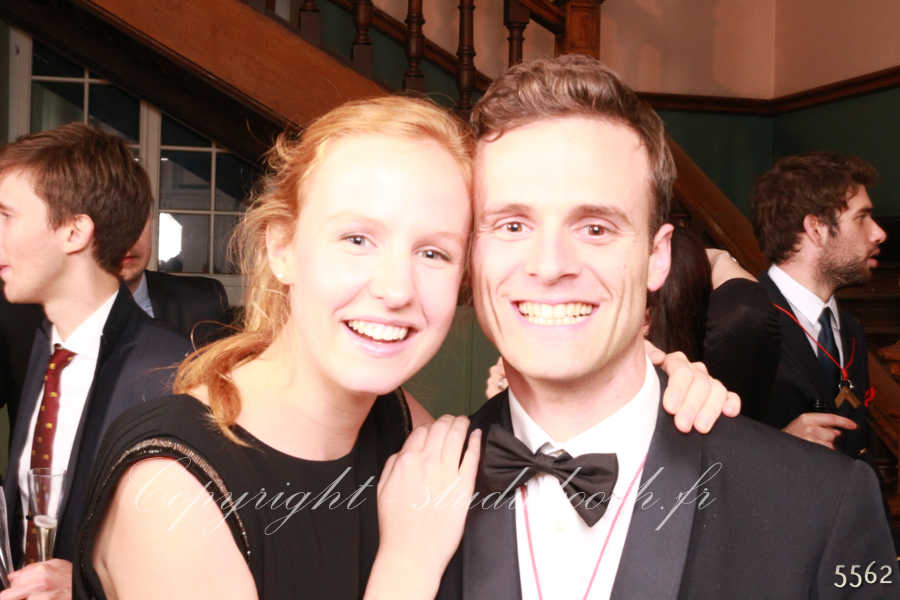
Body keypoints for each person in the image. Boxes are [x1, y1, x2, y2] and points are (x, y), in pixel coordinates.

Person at [73, 96, 737, 600]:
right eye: (357, 239)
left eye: (433, 252)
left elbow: (562, 425)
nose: (395, 289)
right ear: (283, 248)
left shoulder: (401, 428)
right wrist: (407, 566)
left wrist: (649, 382)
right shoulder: (170, 488)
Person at [438, 55, 896, 599]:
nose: (550, 264)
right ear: (473, 252)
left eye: (595, 227)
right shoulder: (405, 487)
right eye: (512, 225)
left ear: (658, 257)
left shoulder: (822, 503)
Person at [0, 123, 191, 599]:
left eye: (6, 216)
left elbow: (200, 554)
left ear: (74, 231)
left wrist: (92, 586)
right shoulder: (42, 343)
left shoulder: (172, 374)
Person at [746, 153, 886, 456]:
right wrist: (778, 447)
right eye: (861, 218)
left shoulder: (850, 330)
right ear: (816, 229)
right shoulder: (740, 319)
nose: (879, 233)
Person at [120, 218, 231, 344]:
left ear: (150, 219)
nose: (126, 239)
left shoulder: (206, 305)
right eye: (109, 221)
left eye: (136, 216)